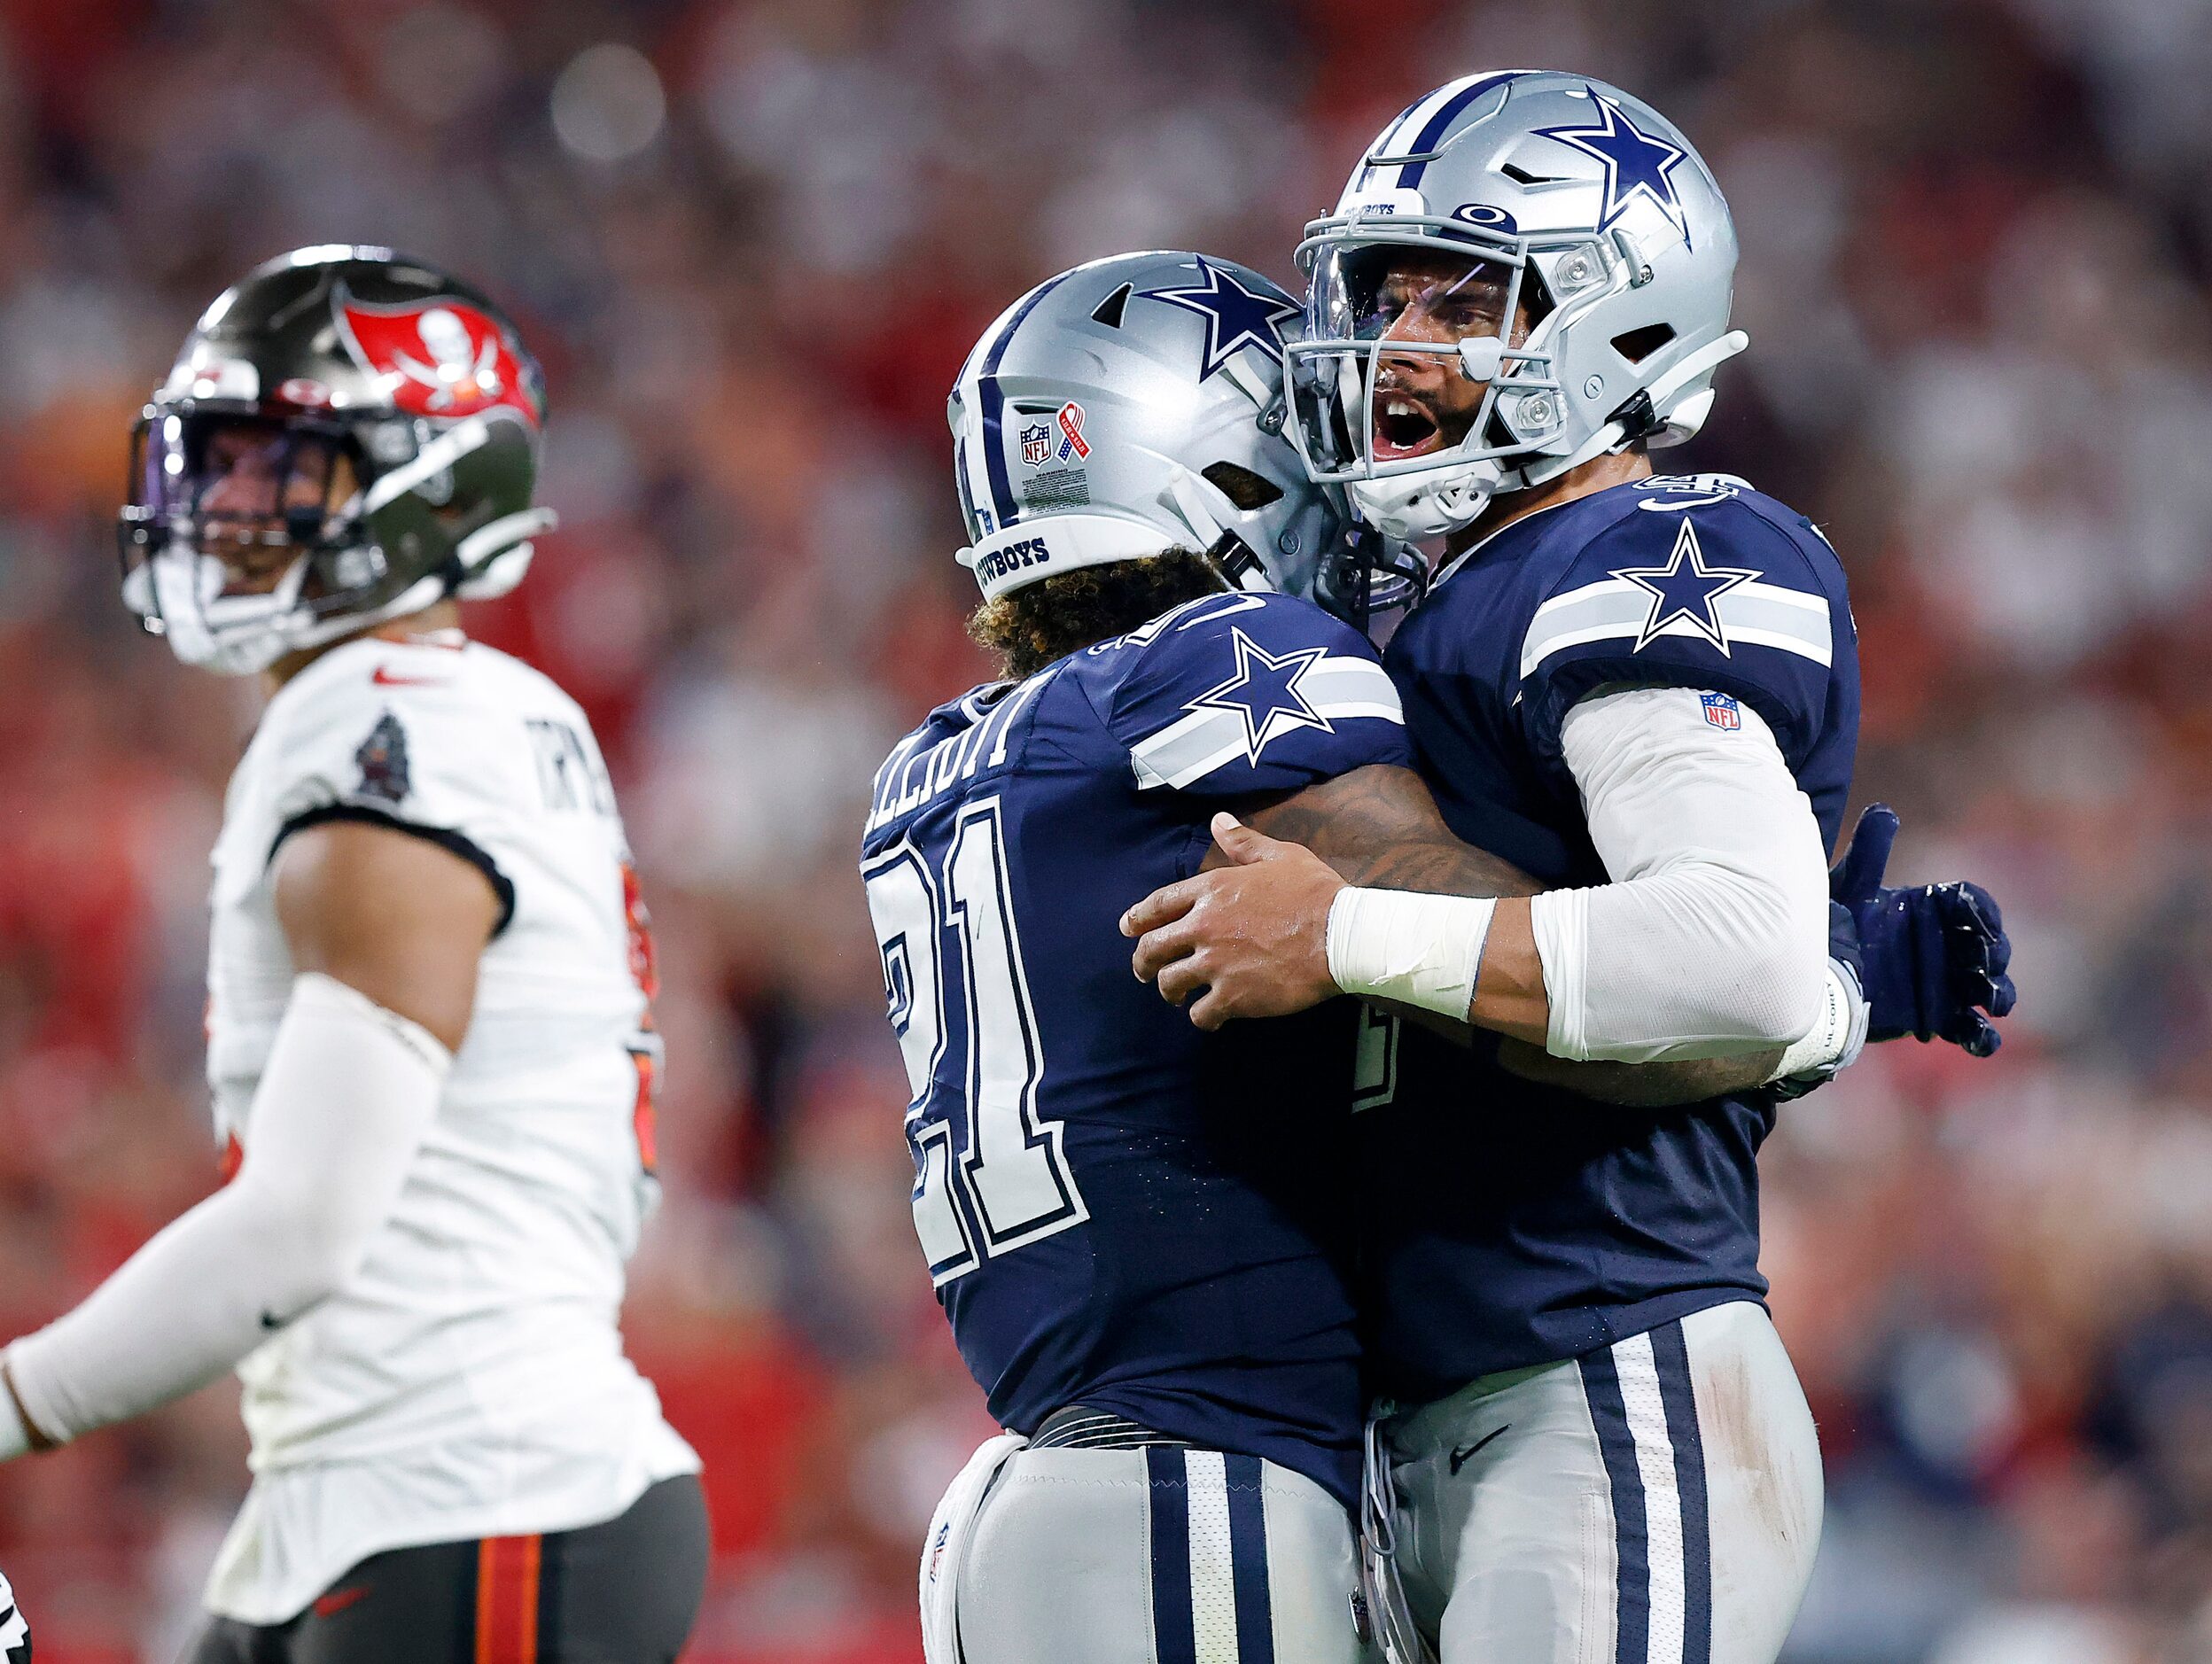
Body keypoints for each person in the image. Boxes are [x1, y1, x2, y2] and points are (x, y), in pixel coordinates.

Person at [870, 248, 1974, 1664]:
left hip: (1054, 1482)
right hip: (1200, 1478)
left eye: (1447, 305)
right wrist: (1827, 987)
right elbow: (1475, 938)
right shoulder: (1225, 662)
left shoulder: (953, 755)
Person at [1121, 74, 2013, 1664]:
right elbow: (1748, 982)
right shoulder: (1437, 607)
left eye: (1463, 300)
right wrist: (1833, 991)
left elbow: (1730, 958)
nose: (1398, 346)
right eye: (1389, 296)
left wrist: (1347, 936)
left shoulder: (1645, 552)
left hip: (1605, 1372)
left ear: (1615, 323)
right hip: (1447, 1409)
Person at [0, 247, 706, 1663]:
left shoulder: (388, 729)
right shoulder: (462, 710)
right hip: (376, 1492)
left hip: (483, 1492)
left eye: (281, 467)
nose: (223, 506)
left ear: (435, 487)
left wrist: (17, 1399)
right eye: (217, 461)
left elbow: (306, 1222)